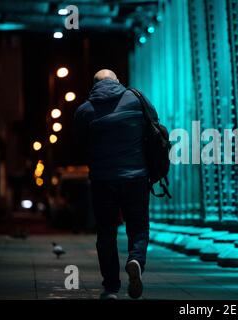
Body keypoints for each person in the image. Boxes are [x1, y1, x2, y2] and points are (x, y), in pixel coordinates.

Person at [73, 69, 158, 299]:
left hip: (102, 180)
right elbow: (155, 127)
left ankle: (111, 287)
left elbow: (78, 145)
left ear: (94, 85)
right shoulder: (136, 99)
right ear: (117, 81)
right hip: (136, 177)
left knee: (106, 233)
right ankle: (135, 259)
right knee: (138, 227)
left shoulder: (84, 110)